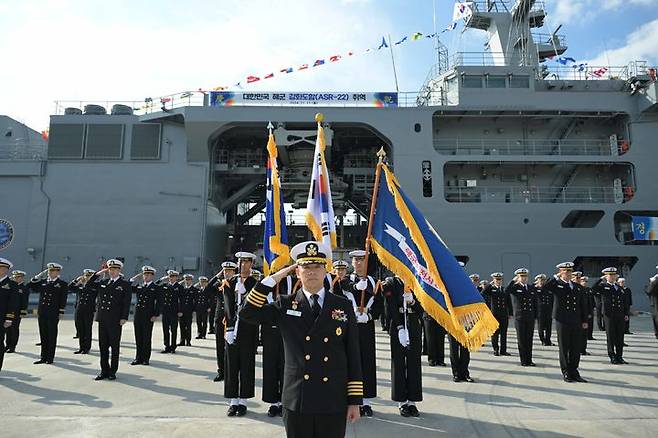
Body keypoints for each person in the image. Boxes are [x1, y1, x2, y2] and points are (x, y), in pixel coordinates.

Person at [239, 241, 362, 438]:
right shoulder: (285, 304)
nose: (311, 272)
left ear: (326, 271)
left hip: (333, 398)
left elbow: (353, 354)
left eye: (317, 267)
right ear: (297, 272)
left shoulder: (343, 305)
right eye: (305, 267)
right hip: (297, 398)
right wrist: (272, 279)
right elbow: (247, 313)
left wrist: (354, 400)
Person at [223, 252, 259, 417]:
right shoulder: (229, 282)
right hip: (232, 330)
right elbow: (228, 306)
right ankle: (233, 401)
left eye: (246, 262)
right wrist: (230, 328)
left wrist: (245, 296)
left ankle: (243, 401)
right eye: (240, 261)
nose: (243, 265)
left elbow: (257, 306)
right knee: (231, 366)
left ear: (252, 264)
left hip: (248, 330)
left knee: (246, 366)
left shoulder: (255, 283)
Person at [348, 249, 383, 417]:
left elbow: (379, 305)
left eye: (362, 260)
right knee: (350, 362)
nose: (359, 263)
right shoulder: (343, 281)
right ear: (352, 262)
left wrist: (369, 316)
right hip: (349, 327)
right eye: (356, 260)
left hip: (366, 326)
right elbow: (337, 299)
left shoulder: (374, 282)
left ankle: (366, 401)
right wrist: (350, 315)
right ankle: (350, 401)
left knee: (367, 362)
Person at [382, 276, 422, 417]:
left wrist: (412, 302)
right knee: (398, 362)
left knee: (414, 362)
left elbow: (423, 308)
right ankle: (401, 402)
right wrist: (399, 327)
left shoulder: (417, 280)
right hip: (398, 325)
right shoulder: (391, 282)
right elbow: (390, 306)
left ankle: (412, 401)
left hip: (413, 323)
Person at [543, 262, 589, 382]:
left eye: (570, 271)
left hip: (576, 320)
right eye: (565, 271)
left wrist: (584, 320)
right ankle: (566, 371)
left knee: (575, 347)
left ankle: (574, 371)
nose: (568, 273)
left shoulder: (577, 287)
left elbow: (582, 304)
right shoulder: (556, 284)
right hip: (562, 320)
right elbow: (544, 287)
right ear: (561, 272)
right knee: (564, 347)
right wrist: (556, 277)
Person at [92, 259, 132, 380]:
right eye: (110, 269)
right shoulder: (104, 282)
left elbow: (126, 303)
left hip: (115, 320)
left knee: (114, 347)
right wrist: (98, 273)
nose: (112, 271)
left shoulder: (124, 285)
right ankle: (104, 370)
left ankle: (112, 371)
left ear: (119, 270)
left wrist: (124, 317)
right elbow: (89, 285)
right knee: (103, 347)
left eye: (115, 269)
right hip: (103, 318)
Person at [30, 262, 69, 364]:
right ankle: (43, 357)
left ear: (58, 272)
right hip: (42, 312)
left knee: (51, 335)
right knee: (43, 335)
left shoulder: (62, 284)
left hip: (53, 312)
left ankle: (50, 358)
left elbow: (63, 299)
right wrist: (37, 277)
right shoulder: (43, 282)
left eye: (53, 271)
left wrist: (61, 311)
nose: (50, 272)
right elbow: (31, 286)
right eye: (49, 270)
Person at [592, 268, 630, 365]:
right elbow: (593, 288)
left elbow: (624, 302)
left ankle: (619, 356)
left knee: (620, 336)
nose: (612, 277)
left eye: (614, 275)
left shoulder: (619, 288)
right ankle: (612, 355)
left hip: (620, 315)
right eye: (610, 275)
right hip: (609, 315)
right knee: (611, 336)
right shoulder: (603, 286)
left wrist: (626, 314)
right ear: (606, 276)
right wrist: (601, 279)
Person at [209, 261, 237, 382]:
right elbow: (206, 290)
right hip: (220, 320)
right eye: (225, 271)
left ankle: (232, 372)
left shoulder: (237, 284)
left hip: (232, 320)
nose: (226, 273)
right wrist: (217, 275)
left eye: (229, 271)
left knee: (232, 347)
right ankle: (221, 371)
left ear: (234, 272)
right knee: (220, 347)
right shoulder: (219, 284)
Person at [130, 266, 161, 365]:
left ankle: (145, 358)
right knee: (138, 337)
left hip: (148, 315)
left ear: (152, 276)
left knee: (146, 338)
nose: (146, 276)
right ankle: (138, 357)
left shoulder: (155, 287)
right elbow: (128, 287)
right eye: (144, 274)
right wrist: (133, 278)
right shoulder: (139, 286)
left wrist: (155, 314)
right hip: (138, 315)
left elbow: (159, 302)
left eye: (148, 274)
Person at [507, 268, 537, 366]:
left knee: (529, 339)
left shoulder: (531, 288)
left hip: (530, 317)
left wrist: (535, 316)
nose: (524, 278)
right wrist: (513, 281)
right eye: (521, 276)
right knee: (522, 339)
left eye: (525, 276)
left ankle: (529, 360)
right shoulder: (515, 287)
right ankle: (523, 360)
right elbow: (507, 290)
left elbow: (534, 303)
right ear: (518, 277)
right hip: (520, 317)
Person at [482, 272, 512, 356]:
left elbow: (508, 302)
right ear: (493, 280)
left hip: (504, 314)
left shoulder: (504, 289)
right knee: (495, 333)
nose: (498, 281)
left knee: (504, 333)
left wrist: (510, 313)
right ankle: (496, 349)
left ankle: (503, 350)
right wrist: (489, 285)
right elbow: (483, 293)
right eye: (496, 279)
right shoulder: (491, 289)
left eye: (499, 279)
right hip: (494, 314)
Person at [69, 269, 98, 354]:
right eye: (85, 275)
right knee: (80, 329)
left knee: (87, 329)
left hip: (89, 310)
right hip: (79, 309)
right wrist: (76, 280)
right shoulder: (80, 285)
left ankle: (87, 348)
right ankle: (81, 347)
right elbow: (69, 287)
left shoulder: (95, 286)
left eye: (89, 276)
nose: (86, 277)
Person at [159, 270, 183, 354]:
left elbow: (181, 300)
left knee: (173, 330)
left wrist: (180, 311)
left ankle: (173, 346)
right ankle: (167, 346)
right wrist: (161, 279)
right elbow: (156, 286)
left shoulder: (179, 287)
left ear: (176, 277)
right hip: (165, 311)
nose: (171, 278)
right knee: (165, 329)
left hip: (174, 312)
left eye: (173, 276)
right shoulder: (165, 285)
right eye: (170, 276)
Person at [0, 258, 18, 372]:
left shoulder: (12, 285)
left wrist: (9, 319)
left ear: (6, 269)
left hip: (1, 319)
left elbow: (13, 303)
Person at [5, 269, 28, 353]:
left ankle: (12, 346)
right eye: (15, 277)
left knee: (14, 329)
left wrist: (23, 311)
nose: (15, 278)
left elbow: (25, 300)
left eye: (18, 277)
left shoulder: (24, 288)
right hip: (9, 311)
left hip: (17, 312)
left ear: (22, 278)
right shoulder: (11, 286)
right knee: (8, 329)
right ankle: (7, 345)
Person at [178, 274, 197, 347]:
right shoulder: (182, 289)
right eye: (186, 280)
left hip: (189, 311)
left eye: (189, 280)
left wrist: (194, 310)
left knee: (188, 326)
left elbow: (196, 301)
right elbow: (179, 301)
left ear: (191, 280)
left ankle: (188, 341)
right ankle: (182, 340)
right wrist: (179, 310)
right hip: (181, 311)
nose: (187, 281)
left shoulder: (194, 290)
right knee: (182, 326)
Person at [535, 274, 553, 346]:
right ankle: (543, 340)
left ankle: (548, 340)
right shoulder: (536, 289)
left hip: (548, 310)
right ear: (537, 280)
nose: (542, 281)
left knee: (549, 327)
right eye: (540, 280)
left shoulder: (548, 289)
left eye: (543, 280)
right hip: (540, 311)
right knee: (541, 327)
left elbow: (552, 300)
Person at [646, 267, 658, 339]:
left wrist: (651, 283)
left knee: (656, 318)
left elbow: (649, 291)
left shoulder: (655, 281)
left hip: (656, 304)